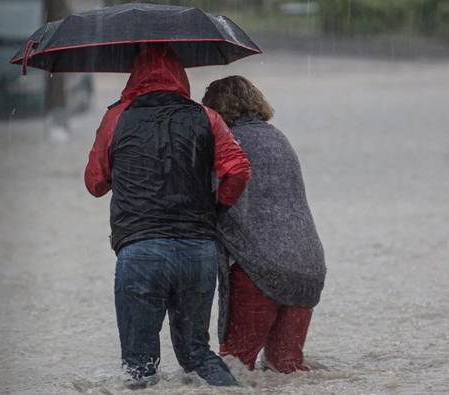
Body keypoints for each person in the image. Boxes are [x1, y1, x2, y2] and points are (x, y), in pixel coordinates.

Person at [84, 45, 251, 388]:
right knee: (198, 356)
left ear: (134, 75)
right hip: (198, 250)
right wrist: (216, 207)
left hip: (141, 251)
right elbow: (238, 170)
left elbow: (94, 183)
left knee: (139, 367)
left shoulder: (117, 116)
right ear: (181, 75)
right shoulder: (207, 116)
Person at [202, 75, 326, 373]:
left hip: (261, 270)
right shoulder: (278, 137)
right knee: (286, 369)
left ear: (215, 111)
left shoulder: (228, 143)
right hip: (308, 267)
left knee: (235, 371)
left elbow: (211, 200)